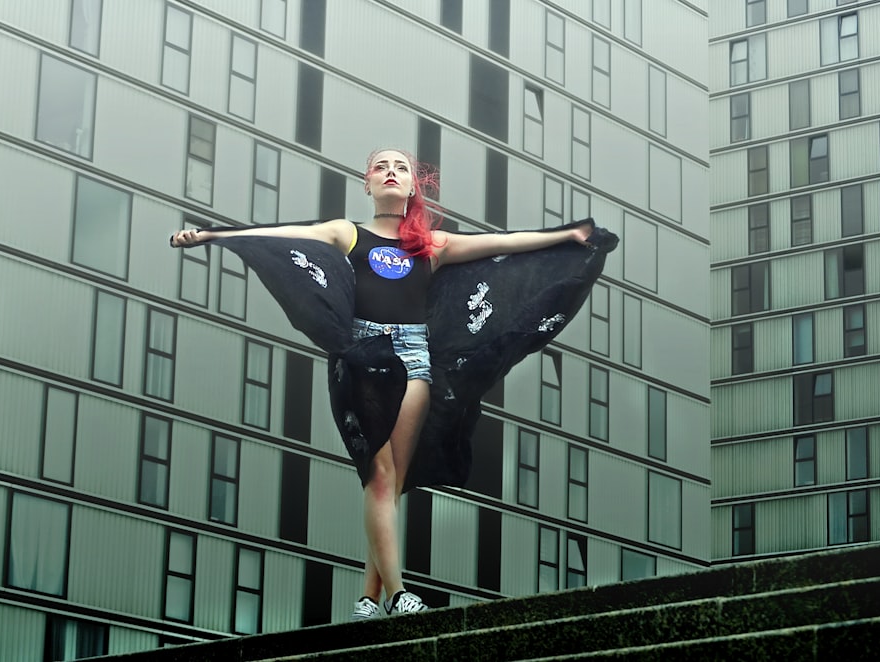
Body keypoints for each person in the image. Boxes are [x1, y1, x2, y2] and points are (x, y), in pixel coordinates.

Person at [170, 148, 615, 620]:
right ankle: (401, 594)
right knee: (379, 477)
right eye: (380, 167)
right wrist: (214, 234)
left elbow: (503, 245)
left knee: (389, 484)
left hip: (414, 361)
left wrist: (568, 234)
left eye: (400, 168)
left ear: (410, 188)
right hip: (363, 357)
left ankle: (368, 597)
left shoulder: (432, 246)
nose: (390, 172)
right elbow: (283, 236)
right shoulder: (348, 233)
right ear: (367, 184)